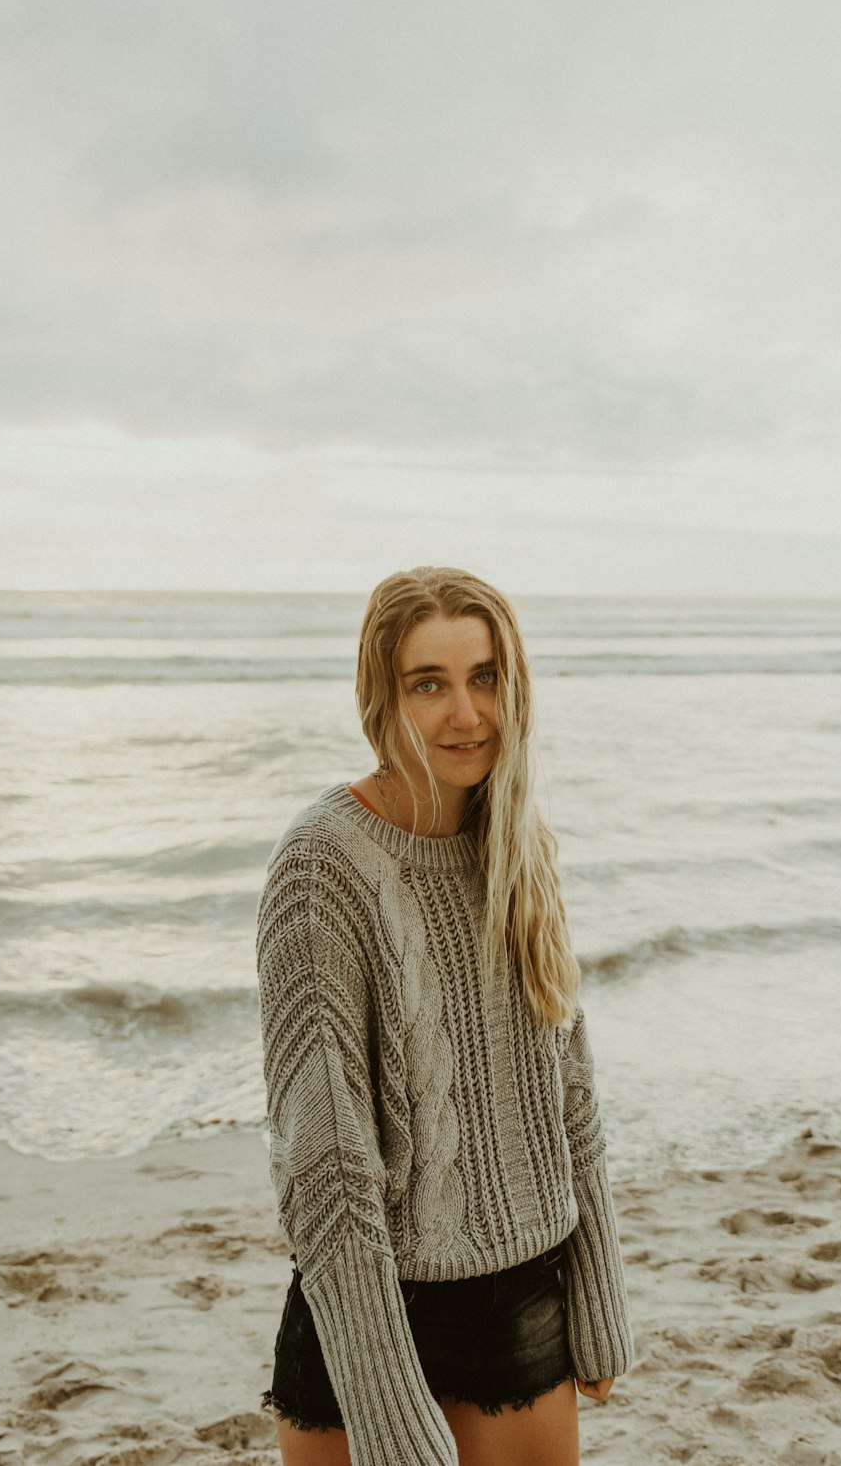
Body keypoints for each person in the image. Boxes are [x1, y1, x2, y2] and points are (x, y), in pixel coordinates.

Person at [257, 565, 634, 1466]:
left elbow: (567, 1090)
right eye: (429, 683)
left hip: (523, 1299)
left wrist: (598, 1295)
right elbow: (327, 1162)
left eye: (486, 678)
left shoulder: (519, 841)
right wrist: (389, 1407)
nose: (466, 714)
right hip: (368, 1319)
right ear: (379, 696)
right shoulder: (322, 867)